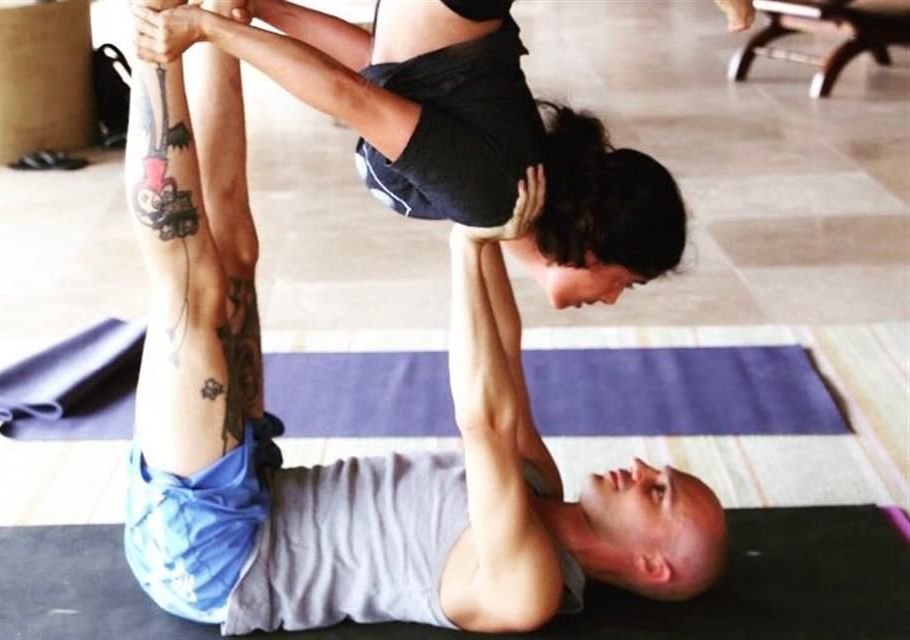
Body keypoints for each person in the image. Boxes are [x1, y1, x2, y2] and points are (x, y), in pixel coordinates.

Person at [121, 22, 728, 635]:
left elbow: (483, 421)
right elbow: (504, 349)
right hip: (253, 487)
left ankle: (152, 34)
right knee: (235, 250)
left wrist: (468, 248)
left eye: (658, 493)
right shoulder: (539, 481)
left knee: (193, 296)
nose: (643, 468)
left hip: (216, 559)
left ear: (652, 565)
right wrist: (486, 219)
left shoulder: (528, 588)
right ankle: (216, 17)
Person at [128, 0, 752, 310]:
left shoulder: (509, 192)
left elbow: (375, 66)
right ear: (598, 247)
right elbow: (349, 97)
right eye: (626, 282)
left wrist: (260, 7)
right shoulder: (493, 196)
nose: (612, 299)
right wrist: (209, 29)